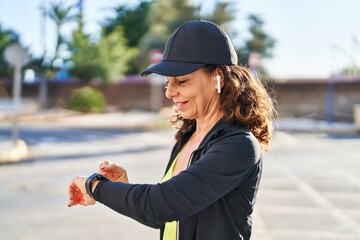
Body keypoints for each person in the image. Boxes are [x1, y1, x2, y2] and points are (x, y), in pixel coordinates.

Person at [68, 19, 276, 240]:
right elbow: (167, 215)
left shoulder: (238, 146)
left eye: (182, 81)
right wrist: (122, 189)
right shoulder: (187, 138)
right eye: (168, 82)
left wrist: (94, 186)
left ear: (219, 78)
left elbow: (159, 205)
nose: (170, 92)